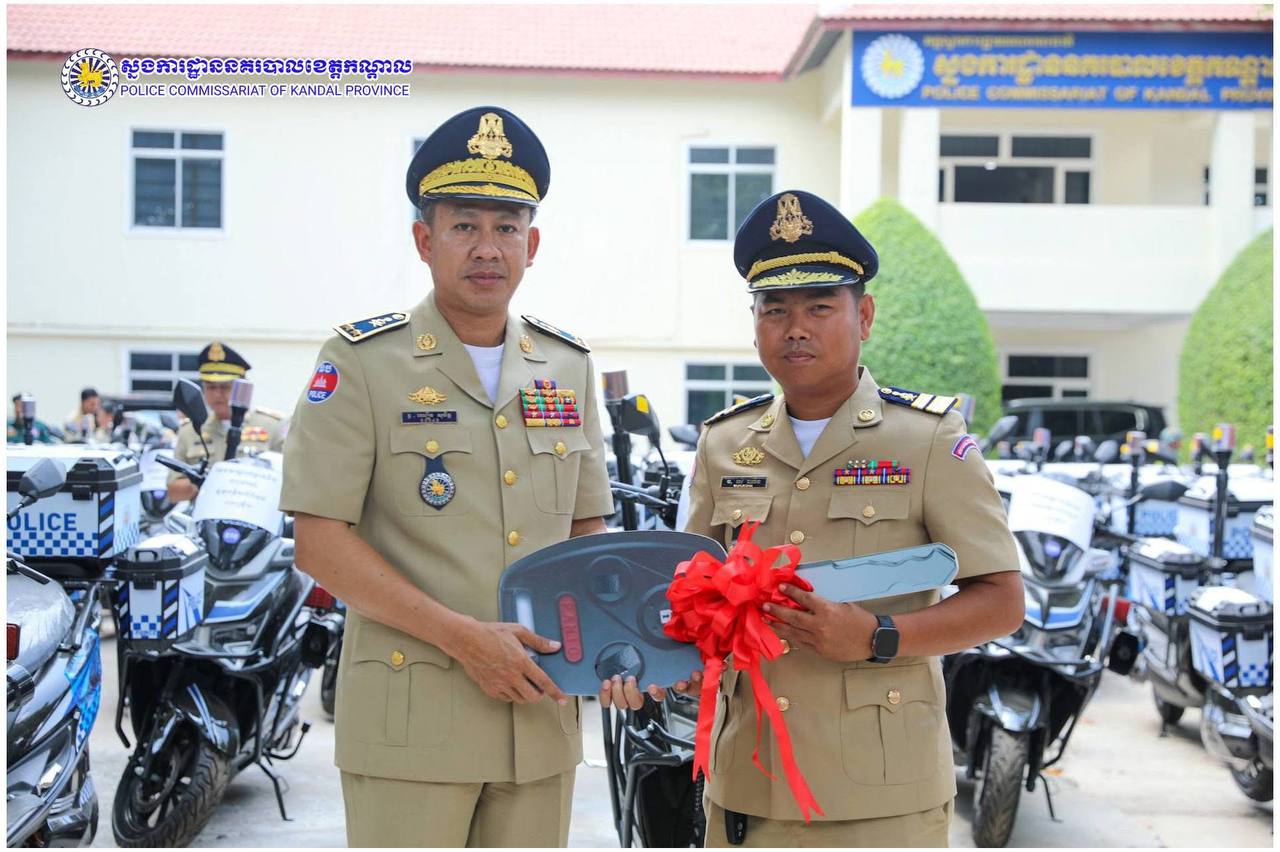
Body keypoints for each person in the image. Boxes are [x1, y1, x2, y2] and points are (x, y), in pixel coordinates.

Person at [611, 190, 1025, 846]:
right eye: (775, 309)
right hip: (749, 781)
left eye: (819, 307)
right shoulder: (724, 442)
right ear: (754, 324)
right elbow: (689, 599)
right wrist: (647, 660)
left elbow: (1002, 602)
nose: (795, 328)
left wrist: (877, 636)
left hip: (881, 795)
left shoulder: (927, 439)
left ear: (865, 315)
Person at [279, 106, 615, 847]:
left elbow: (586, 531)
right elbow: (319, 542)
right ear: (424, 241)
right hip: (411, 724)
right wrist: (466, 640)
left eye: (506, 227)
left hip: (540, 716)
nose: (487, 248)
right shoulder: (363, 362)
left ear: (532, 245)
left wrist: (616, 640)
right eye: (464, 226)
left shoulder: (567, 365)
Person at [166, 342, 286, 501]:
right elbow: (173, 492)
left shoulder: (272, 425)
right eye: (211, 387)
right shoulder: (191, 430)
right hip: (206, 512)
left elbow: (289, 481)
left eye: (225, 387)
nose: (217, 394)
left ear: (242, 388)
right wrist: (204, 481)